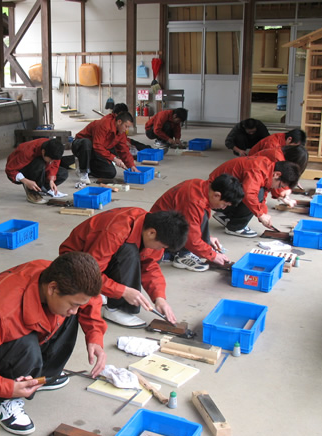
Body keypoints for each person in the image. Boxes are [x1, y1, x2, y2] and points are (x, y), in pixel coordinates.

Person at [0, 252, 106, 436]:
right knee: (26, 346)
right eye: (74, 303)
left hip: (17, 332)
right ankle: (2, 401)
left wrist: (95, 336)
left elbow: (89, 301)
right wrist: (5, 388)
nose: (76, 309)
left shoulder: (60, 277)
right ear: (53, 289)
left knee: (68, 315)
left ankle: (40, 378)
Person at [59, 208, 188, 328]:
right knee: (129, 251)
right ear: (151, 233)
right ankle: (115, 308)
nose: (161, 250)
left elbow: (150, 266)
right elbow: (90, 274)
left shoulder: (150, 228)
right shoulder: (116, 232)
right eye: (162, 246)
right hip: (75, 263)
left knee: (132, 252)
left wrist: (159, 298)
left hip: (99, 261)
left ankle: (102, 293)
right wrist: (123, 292)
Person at [150, 175, 244, 272]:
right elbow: (191, 239)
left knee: (203, 215)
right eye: (224, 204)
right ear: (217, 195)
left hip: (166, 225)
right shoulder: (194, 202)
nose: (223, 208)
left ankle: (173, 251)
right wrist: (213, 255)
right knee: (202, 215)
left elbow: (195, 221)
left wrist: (208, 237)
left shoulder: (202, 187)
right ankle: (182, 255)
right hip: (159, 233)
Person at [209, 156, 301, 238]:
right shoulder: (257, 171)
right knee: (255, 195)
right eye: (280, 185)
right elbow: (249, 194)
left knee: (258, 194)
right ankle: (235, 227)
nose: (277, 188)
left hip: (224, 194)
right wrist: (260, 214)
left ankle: (225, 215)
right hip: (215, 198)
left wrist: (264, 214)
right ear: (277, 174)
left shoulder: (267, 168)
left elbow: (263, 192)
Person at [71, 111, 139, 184]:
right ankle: (83, 171)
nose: (127, 129)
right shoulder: (104, 124)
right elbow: (97, 145)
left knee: (110, 173)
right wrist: (114, 158)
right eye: (126, 126)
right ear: (119, 122)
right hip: (81, 146)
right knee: (86, 143)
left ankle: (88, 169)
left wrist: (131, 165)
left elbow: (124, 150)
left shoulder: (121, 133)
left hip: (96, 150)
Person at [5, 138, 68, 205]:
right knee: (39, 163)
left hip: (41, 168)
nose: (52, 162)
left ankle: (40, 189)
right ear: (43, 152)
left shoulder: (54, 150)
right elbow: (10, 170)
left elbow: (54, 165)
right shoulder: (26, 151)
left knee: (63, 173)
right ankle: (32, 192)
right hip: (21, 171)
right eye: (51, 159)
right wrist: (25, 181)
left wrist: (51, 180)